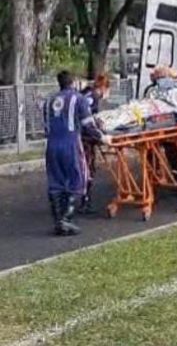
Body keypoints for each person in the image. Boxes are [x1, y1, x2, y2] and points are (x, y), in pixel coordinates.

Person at [44, 71, 110, 236]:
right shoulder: (78, 99)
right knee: (78, 177)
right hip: (70, 143)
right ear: (73, 83)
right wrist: (103, 137)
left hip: (52, 145)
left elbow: (46, 127)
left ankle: (58, 220)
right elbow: (88, 124)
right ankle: (67, 219)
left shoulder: (48, 101)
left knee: (55, 181)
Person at [76, 75, 111, 214]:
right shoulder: (93, 97)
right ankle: (85, 201)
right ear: (103, 88)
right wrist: (100, 134)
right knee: (88, 168)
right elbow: (88, 119)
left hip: (77, 135)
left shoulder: (85, 92)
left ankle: (82, 199)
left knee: (82, 167)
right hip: (84, 138)